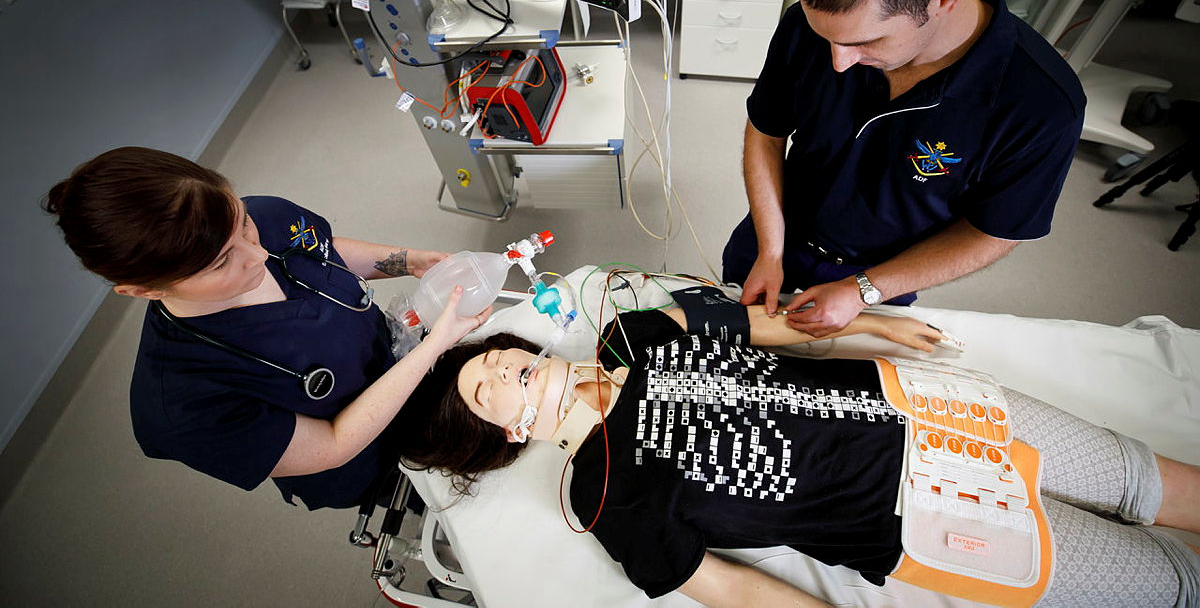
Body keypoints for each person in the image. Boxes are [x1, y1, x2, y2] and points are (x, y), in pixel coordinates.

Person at [398, 288, 1200, 608]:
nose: (502, 366)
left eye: (497, 354)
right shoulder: (598, 491)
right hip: (921, 515)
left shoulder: (627, 330)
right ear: (504, 430)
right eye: (484, 385)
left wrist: (870, 322)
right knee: (1170, 584)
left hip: (912, 398)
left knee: (1137, 476)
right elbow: (735, 591)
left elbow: (775, 328)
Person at [722, 0, 1086, 337]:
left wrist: (864, 290)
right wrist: (770, 250)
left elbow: (994, 232)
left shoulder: (1040, 105)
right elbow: (767, 130)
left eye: (866, 41)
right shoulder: (810, 28)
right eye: (825, 37)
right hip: (769, 239)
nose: (838, 62)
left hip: (879, 281)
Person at [43, 146, 490, 510]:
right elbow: (333, 444)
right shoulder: (182, 406)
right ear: (142, 291)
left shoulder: (268, 218)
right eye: (221, 261)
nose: (258, 256)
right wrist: (432, 351)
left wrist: (409, 261)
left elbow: (321, 250)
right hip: (377, 459)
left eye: (243, 223)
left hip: (415, 368)